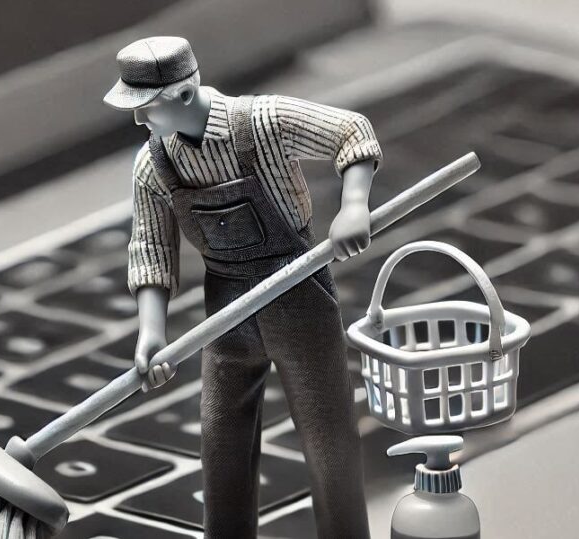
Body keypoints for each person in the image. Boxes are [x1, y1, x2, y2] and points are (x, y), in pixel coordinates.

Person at [104, 36, 380, 539]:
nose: (140, 121)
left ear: (184, 96)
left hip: (297, 291)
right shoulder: (154, 166)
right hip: (226, 307)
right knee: (221, 439)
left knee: (328, 437)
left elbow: (351, 132)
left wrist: (354, 203)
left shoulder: (263, 122)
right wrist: (151, 331)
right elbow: (150, 247)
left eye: (147, 108)